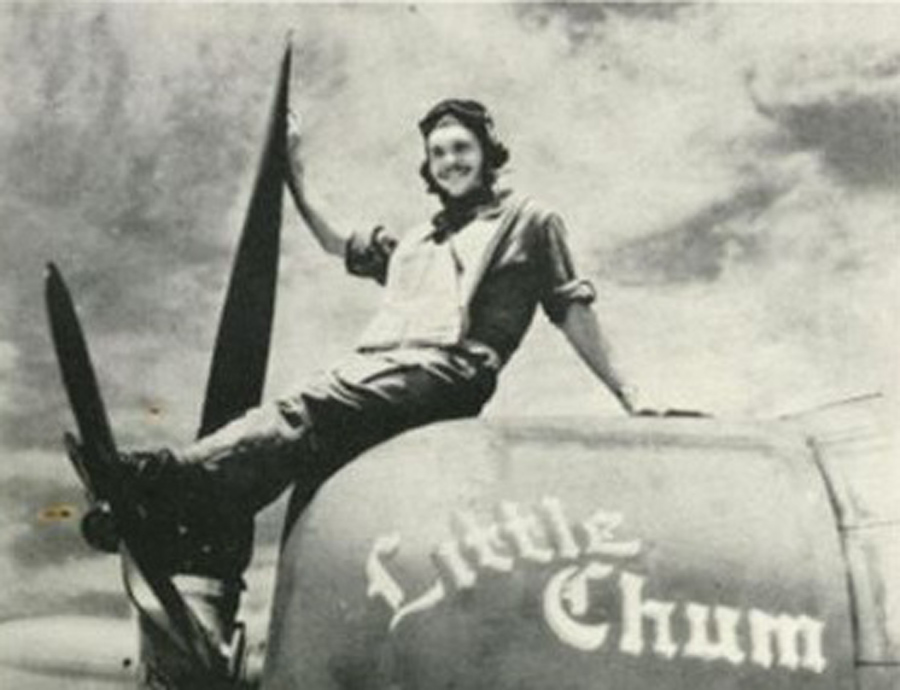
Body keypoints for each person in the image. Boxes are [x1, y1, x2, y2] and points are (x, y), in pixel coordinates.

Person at [122, 98, 638, 648]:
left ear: (488, 154)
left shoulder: (530, 221)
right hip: (387, 371)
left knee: (311, 405)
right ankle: (248, 622)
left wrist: (630, 394)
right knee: (312, 485)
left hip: (450, 370)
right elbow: (334, 239)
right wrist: (293, 166)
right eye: (437, 153)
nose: (449, 161)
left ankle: (165, 483)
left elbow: (571, 307)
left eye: (462, 148)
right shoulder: (416, 242)